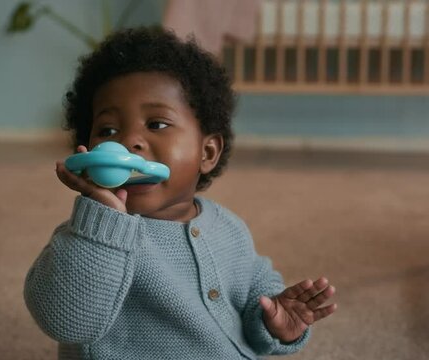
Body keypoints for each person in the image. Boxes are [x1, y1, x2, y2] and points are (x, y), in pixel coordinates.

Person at [24, 27, 336, 360]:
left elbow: (254, 283)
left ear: (208, 153)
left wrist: (273, 319)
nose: (129, 142)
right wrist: (102, 220)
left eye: (156, 124)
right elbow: (66, 321)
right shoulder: (87, 239)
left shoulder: (228, 227)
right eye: (108, 130)